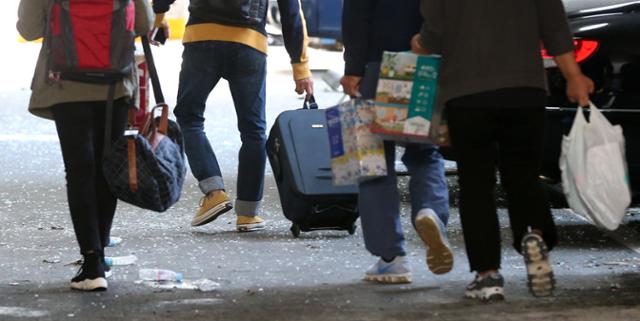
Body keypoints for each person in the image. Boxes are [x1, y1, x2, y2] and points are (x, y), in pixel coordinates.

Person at [414, 0, 594, 300]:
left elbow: (433, 36)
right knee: (523, 175)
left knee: (476, 185)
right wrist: (574, 77)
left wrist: (419, 44)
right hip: (525, 90)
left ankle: (488, 277)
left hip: (466, 95)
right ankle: (534, 233)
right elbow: (555, 28)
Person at [17, 0, 153, 291]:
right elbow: (143, 23)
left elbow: (29, 30)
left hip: (65, 84)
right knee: (107, 166)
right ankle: (100, 255)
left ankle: (91, 262)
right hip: (114, 85)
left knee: (79, 171)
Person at [152, 0, 314, 232]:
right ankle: (248, 214)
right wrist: (301, 68)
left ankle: (214, 192)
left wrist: (159, 16)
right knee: (253, 130)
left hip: (202, 39)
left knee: (189, 117)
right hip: (250, 45)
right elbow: (291, 12)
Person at [341, 0, 453, 284]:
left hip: (374, 65)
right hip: (421, 59)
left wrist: (353, 67)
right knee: (425, 151)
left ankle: (392, 258)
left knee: (371, 161)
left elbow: (357, 11)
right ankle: (431, 211)